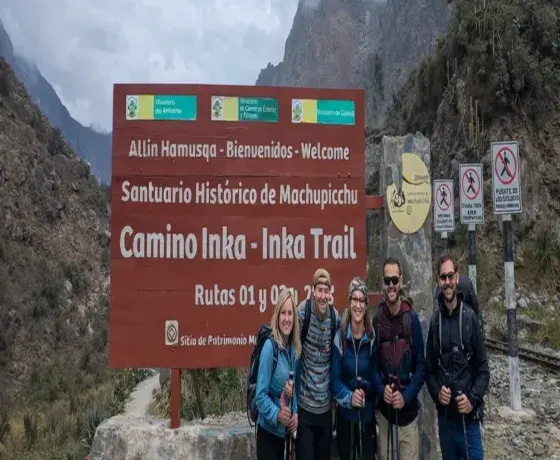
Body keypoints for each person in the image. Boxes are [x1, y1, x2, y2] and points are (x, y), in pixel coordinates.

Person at [426, 253, 490, 460]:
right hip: (446, 421)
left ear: (457, 277)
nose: (447, 282)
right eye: (443, 277)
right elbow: (429, 369)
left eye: (450, 276)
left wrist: (472, 399)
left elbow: (483, 370)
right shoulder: (435, 323)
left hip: (469, 420)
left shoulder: (471, 320)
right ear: (439, 281)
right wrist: (437, 393)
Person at [372, 257, 426, 460]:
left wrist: (406, 396)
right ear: (383, 284)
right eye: (387, 281)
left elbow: (421, 366)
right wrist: (380, 389)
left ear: (401, 281)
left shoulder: (411, 319)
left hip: (408, 417)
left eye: (395, 280)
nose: (391, 285)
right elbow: (373, 365)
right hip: (385, 418)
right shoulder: (377, 320)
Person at [295, 268, 340, 460]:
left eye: (326, 290)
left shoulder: (335, 318)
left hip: (325, 409)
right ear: (313, 291)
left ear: (330, 293)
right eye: (319, 290)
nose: (323, 296)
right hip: (304, 407)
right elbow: (292, 354)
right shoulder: (302, 313)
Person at [331, 276, 377, 460]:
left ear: (366, 305)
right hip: (345, 418)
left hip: (367, 418)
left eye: (362, 301)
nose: (358, 305)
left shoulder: (372, 337)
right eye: (355, 300)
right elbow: (333, 379)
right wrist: (350, 397)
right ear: (349, 302)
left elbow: (376, 376)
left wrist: (366, 389)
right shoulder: (340, 336)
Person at [255, 287, 301, 460]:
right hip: (268, 433)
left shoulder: (294, 349)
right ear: (277, 316)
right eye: (283, 313)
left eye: (290, 313)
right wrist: (277, 415)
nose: (287, 319)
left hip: (286, 435)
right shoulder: (269, 347)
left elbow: (292, 390)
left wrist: (294, 413)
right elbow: (260, 396)